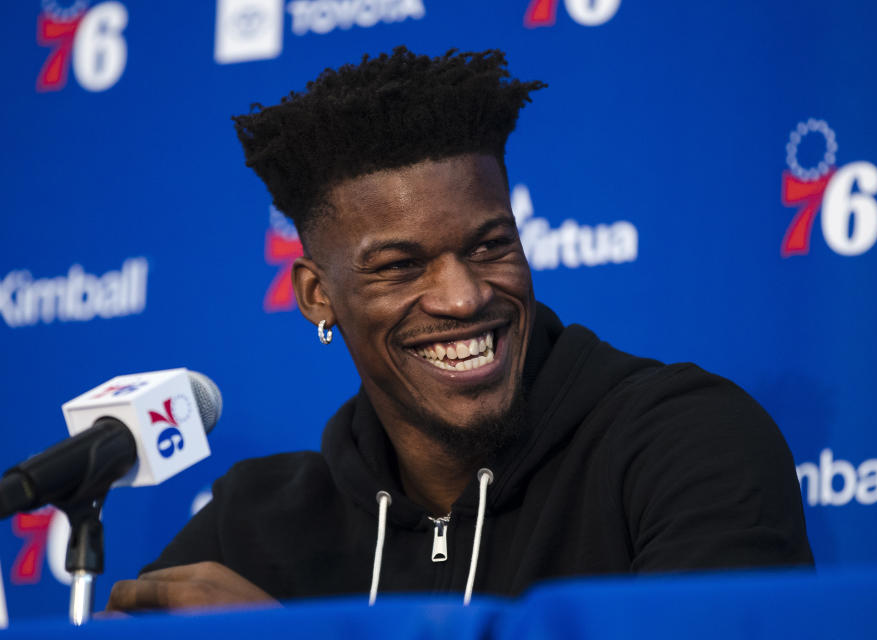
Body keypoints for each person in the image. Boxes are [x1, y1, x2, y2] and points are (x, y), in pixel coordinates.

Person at [106, 47, 813, 612]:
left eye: (489, 246)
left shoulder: (686, 442)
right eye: (401, 266)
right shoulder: (255, 521)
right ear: (319, 296)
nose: (465, 296)